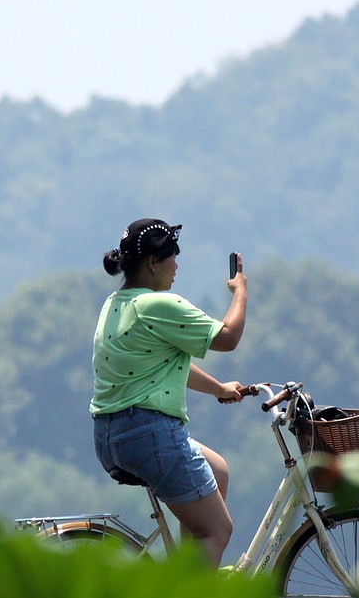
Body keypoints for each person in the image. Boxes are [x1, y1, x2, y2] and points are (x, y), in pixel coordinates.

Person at [90, 218, 249, 567]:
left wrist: (218, 388)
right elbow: (228, 337)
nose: (177, 265)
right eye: (173, 257)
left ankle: (188, 573)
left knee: (217, 470)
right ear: (152, 263)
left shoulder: (115, 304)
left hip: (111, 437)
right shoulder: (157, 305)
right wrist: (240, 292)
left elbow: (163, 362)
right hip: (150, 434)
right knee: (217, 531)